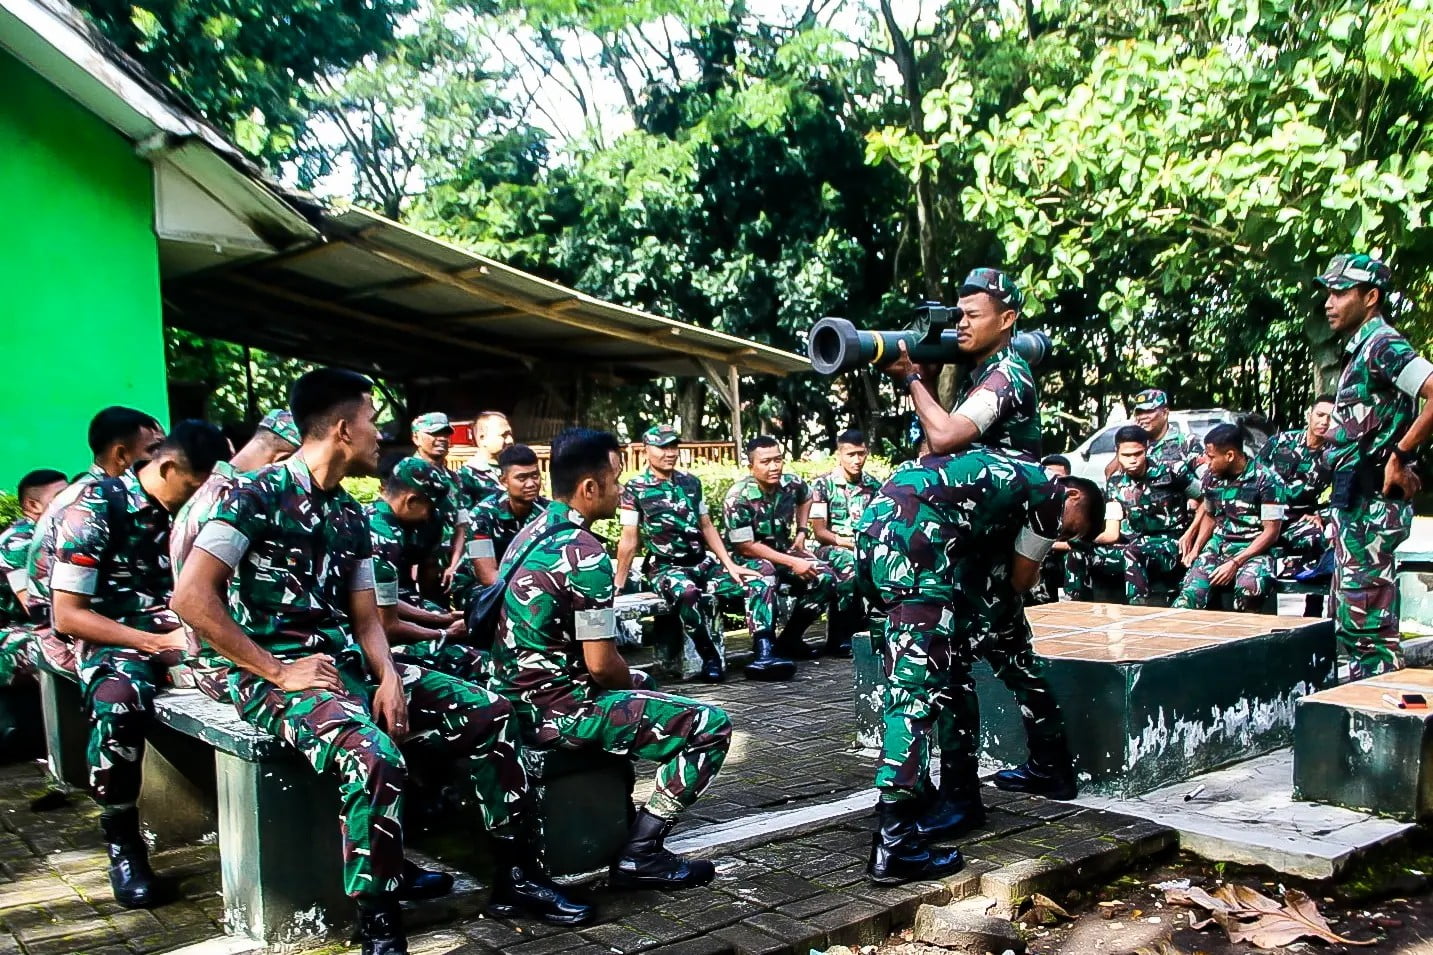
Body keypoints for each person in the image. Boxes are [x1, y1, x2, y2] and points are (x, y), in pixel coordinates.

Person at [171, 370, 590, 954]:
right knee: (375, 756)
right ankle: (380, 922)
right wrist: (276, 669)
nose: (380, 435)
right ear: (343, 428)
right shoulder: (253, 495)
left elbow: (369, 618)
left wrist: (390, 676)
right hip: (276, 675)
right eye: (372, 421)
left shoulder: (348, 513)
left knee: (491, 713)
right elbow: (191, 598)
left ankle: (516, 877)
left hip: (349, 663)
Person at [491, 428, 733, 890]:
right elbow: (602, 665)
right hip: (557, 710)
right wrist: (638, 679)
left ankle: (620, 816)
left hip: (511, 697)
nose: (621, 490)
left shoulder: (532, 531)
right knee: (711, 726)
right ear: (589, 487)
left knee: (639, 694)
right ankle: (642, 851)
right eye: (615, 479)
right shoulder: (584, 554)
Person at [855, 449, 1103, 883]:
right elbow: (1022, 580)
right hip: (918, 550)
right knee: (913, 692)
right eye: (1071, 528)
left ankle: (955, 795)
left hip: (880, 535)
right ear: (1076, 497)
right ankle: (896, 843)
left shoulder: (1005, 470)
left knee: (941, 676)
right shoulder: (1048, 493)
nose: (1061, 535)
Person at [48, 420, 227, 908]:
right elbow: (67, 615)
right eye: (195, 485)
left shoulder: (195, 511)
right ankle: (123, 843)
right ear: (167, 467)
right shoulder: (95, 508)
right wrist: (153, 642)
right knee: (119, 701)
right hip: (117, 637)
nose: (201, 498)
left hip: (188, 630)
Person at [1317, 254, 1433, 678]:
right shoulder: (1361, 347)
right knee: (1352, 623)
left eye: (1340, 293)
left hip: (1372, 505)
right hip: (1354, 503)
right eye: (1328, 293)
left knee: (1367, 630)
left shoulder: (1384, 344)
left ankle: (1379, 729)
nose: (1330, 303)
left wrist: (1401, 456)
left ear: (1371, 297)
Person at [615, 426, 770, 681]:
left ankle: (765, 651)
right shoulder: (635, 489)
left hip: (701, 564)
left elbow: (706, 525)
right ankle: (709, 656)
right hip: (666, 568)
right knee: (687, 593)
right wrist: (619, 584)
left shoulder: (691, 482)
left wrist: (729, 565)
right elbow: (629, 539)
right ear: (646, 450)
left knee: (759, 577)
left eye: (673, 446)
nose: (669, 453)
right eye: (662, 447)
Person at [169, 410, 301, 699]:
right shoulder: (236, 500)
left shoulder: (213, 491)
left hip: (220, 658)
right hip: (230, 668)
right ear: (281, 461)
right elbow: (194, 600)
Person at [26, 407, 165, 671]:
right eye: (154, 451)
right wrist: (157, 641)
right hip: (65, 637)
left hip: (100, 617)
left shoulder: (125, 500)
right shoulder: (84, 504)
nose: (163, 460)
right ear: (121, 455)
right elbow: (64, 614)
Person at [881, 268, 1040, 460]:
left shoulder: (1007, 372)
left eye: (973, 316)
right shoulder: (979, 374)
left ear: (1006, 319)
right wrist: (926, 381)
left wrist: (910, 378)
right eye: (959, 316)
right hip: (987, 481)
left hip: (1015, 480)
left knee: (912, 480)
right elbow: (938, 444)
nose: (961, 324)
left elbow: (944, 437)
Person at [723, 436, 837, 667]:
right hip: (747, 559)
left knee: (825, 577)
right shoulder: (738, 497)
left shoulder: (790, 483)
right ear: (751, 466)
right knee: (764, 575)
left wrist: (802, 530)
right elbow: (746, 546)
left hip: (783, 553)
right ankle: (763, 648)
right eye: (765, 462)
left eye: (778, 460)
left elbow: (807, 497)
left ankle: (790, 639)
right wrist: (793, 562)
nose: (774, 467)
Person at [368, 458, 482, 681]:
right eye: (429, 508)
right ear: (411, 500)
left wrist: (442, 618)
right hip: (371, 643)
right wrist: (444, 634)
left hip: (378, 620)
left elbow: (384, 601)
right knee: (477, 660)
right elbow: (388, 627)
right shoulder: (384, 539)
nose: (429, 517)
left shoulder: (374, 517)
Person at [1174, 424, 1287, 612]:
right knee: (1189, 595)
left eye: (1211, 457)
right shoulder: (1212, 477)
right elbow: (1210, 517)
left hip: (1254, 550)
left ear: (1230, 456)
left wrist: (1235, 563)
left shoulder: (1266, 481)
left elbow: (1271, 533)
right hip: (1219, 546)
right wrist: (1196, 550)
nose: (1207, 463)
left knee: (1249, 588)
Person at [1093, 426, 1200, 604]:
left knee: (1131, 553)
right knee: (1080, 553)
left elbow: (1206, 502)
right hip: (1132, 541)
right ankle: (1074, 609)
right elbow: (1112, 531)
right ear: (1117, 452)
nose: (1133, 460)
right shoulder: (1115, 482)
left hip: (1170, 543)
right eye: (1126, 455)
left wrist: (1190, 534)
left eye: (1138, 454)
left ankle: (1138, 611)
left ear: (1147, 449)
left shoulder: (1173, 471)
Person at [808, 429, 879, 657]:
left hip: (864, 547)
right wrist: (848, 543)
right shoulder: (822, 485)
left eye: (861, 454)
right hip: (830, 547)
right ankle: (840, 637)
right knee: (850, 567)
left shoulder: (874, 486)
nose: (857, 460)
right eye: (850, 454)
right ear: (839, 454)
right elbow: (819, 532)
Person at [455, 444, 548, 605]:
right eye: (522, 478)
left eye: (535, 476)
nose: (531, 484)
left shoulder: (547, 512)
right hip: (479, 588)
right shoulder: (481, 517)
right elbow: (488, 577)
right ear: (504, 481)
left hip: (530, 583)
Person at [0, 469, 68, 686]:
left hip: (31, 625)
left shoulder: (58, 532)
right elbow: (35, 607)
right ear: (32, 506)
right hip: (10, 634)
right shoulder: (19, 542)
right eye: (60, 498)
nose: (70, 503)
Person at [1257, 395, 1335, 564]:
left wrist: (1322, 515)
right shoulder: (1280, 442)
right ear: (1309, 416)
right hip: (1263, 517)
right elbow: (1253, 476)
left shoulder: (1335, 455)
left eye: (1331, 417)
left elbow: (1344, 495)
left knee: (1316, 539)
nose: (1324, 422)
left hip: (1297, 520)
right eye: (1320, 415)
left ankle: (1302, 577)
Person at [407, 413, 468, 594]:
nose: (441, 439)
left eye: (445, 434)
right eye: (434, 433)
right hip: (413, 568)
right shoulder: (407, 475)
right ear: (416, 437)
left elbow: (461, 525)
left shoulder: (454, 479)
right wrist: (414, 562)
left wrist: (454, 564)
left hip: (446, 567)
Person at [1107, 389, 1203, 477]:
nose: (1143, 417)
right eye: (1139, 412)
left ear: (1164, 413)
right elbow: (1110, 474)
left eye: (1149, 411)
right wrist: (1130, 440)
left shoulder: (1187, 442)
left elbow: (1206, 479)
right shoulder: (1135, 444)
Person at [455, 410, 515, 511]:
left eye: (510, 435)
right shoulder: (466, 475)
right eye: (504, 435)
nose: (510, 440)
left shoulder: (512, 468)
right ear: (482, 438)